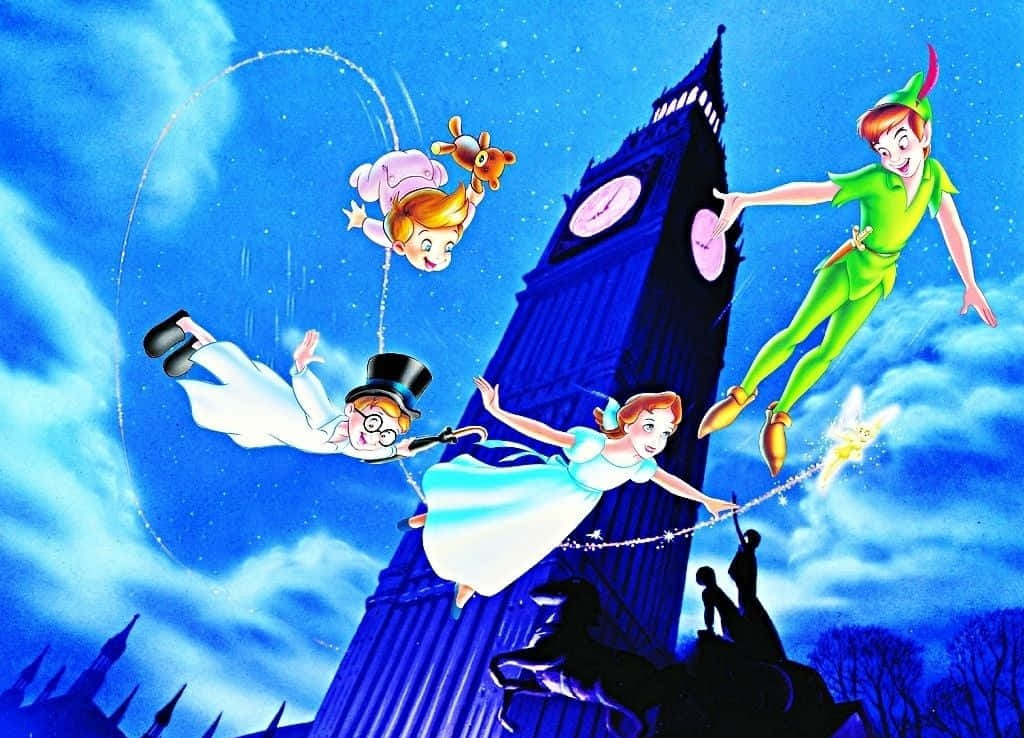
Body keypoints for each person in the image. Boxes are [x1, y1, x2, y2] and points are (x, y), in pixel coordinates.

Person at [697, 45, 997, 476]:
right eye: (883, 150)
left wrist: (969, 281)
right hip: (849, 267)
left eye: (901, 142)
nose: (894, 157)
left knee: (829, 351)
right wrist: (749, 199)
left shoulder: (933, 177)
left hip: (878, 278)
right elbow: (816, 192)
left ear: (924, 135)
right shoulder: (875, 179)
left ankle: (779, 416)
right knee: (797, 332)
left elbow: (952, 226)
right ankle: (742, 394)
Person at [401, 377, 738, 618]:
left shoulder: (642, 465)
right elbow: (544, 433)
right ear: (628, 422)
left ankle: (471, 583)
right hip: (550, 486)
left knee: (519, 544)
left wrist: (705, 500)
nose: (656, 438)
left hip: (572, 508)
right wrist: (498, 411)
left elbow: (670, 482)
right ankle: (434, 516)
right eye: (650, 426)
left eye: (665, 432)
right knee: (496, 506)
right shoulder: (593, 444)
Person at [142, 309, 446, 462]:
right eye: (375, 422)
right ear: (353, 409)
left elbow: (400, 449)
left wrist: (439, 439)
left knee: (228, 399)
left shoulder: (353, 447)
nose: (375, 436)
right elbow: (311, 396)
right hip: (269, 401)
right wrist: (300, 367)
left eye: (385, 434)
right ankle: (186, 325)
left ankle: (196, 347)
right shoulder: (326, 420)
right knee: (233, 368)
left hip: (265, 425)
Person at [343, 148, 483, 272]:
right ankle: (363, 174)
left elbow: (471, 204)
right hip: (388, 169)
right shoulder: (398, 234)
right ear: (399, 247)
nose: (439, 257)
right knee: (367, 192)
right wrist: (362, 221)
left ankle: (436, 171)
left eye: (448, 247)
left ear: (400, 247)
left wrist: (362, 221)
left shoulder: (398, 234)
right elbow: (472, 202)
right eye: (427, 246)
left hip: (422, 166)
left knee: (441, 176)